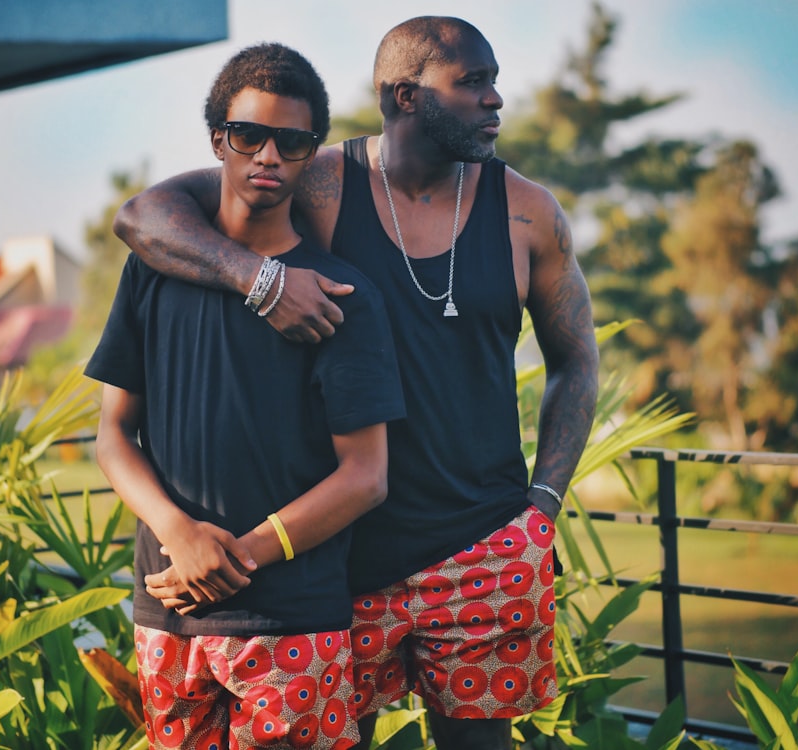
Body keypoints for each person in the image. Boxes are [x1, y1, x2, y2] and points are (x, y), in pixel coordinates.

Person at [115, 17, 599, 750]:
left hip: (486, 548)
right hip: (342, 557)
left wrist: (544, 505)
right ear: (404, 95)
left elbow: (576, 360)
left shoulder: (527, 213)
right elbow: (145, 216)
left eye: (494, 81)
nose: (496, 99)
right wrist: (262, 280)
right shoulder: (319, 179)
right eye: (473, 82)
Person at [87, 42, 405, 750]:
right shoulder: (152, 272)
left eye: (290, 142)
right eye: (247, 136)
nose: (267, 155)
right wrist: (179, 536)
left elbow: (367, 476)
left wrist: (240, 558)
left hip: (290, 619)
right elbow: (112, 432)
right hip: (166, 609)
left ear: (311, 153)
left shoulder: (341, 297)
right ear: (217, 141)